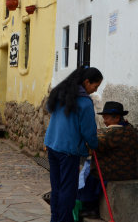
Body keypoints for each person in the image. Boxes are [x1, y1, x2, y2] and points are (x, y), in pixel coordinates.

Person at [44, 67, 103, 222]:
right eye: (95, 86)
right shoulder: (84, 102)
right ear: (86, 82)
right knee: (68, 191)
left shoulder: (60, 93)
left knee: (57, 188)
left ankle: (55, 219)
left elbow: (49, 109)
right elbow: (89, 131)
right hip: (69, 150)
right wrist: (94, 145)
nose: (94, 90)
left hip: (52, 145)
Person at [77, 101, 138, 219]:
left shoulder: (109, 134)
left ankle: (92, 209)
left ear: (117, 118)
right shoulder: (132, 131)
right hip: (131, 172)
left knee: (89, 176)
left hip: (113, 173)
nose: (104, 121)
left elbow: (92, 145)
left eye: (106, 118)